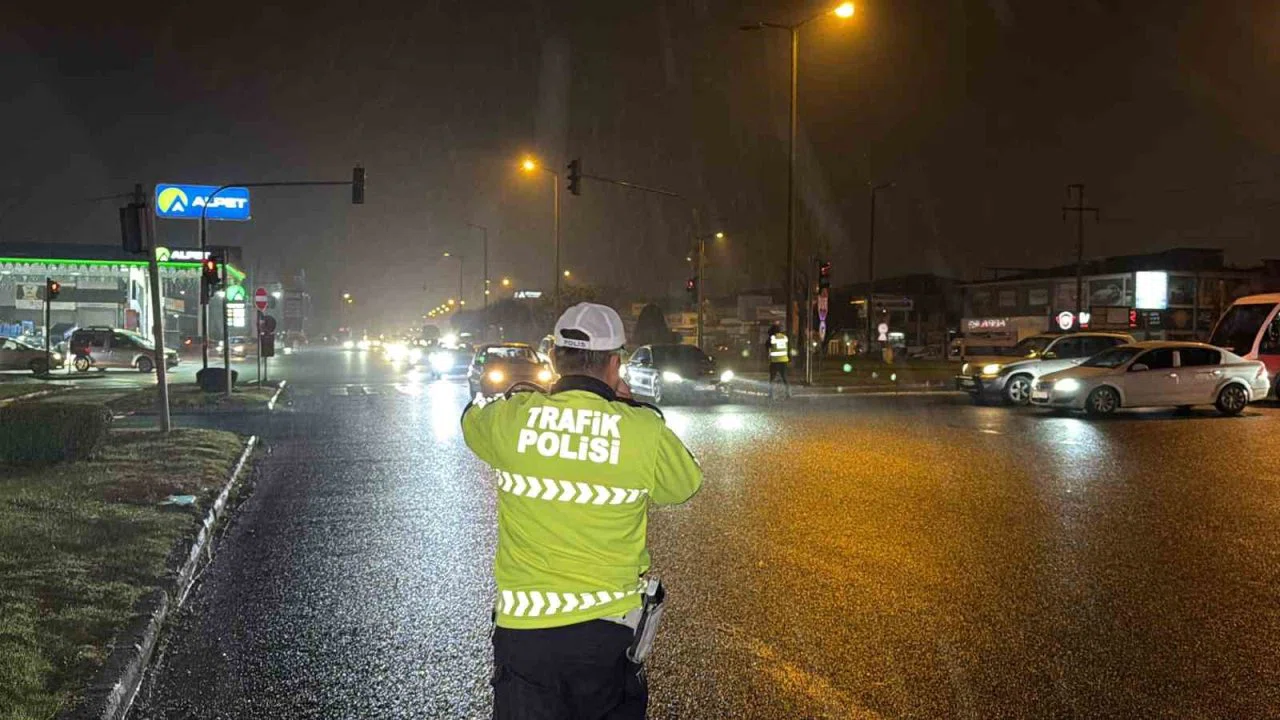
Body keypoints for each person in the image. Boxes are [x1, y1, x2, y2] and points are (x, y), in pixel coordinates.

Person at [462, 302, 704, 720]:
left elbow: (470, 418)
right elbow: (685, 484)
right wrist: (631, 408)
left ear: (555, 359)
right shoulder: (641, 430)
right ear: (615, 364)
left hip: (526, 635)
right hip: (607, 637)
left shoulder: (512, 418)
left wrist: (527, 398)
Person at [767, 324, 791, 398]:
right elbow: (789, 348)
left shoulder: (772, 338)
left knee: (772, 378)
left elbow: (767, 346)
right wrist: (789, 358)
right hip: (784, 360)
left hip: (775, 361)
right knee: (784, 377)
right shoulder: (785, 337)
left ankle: (771, 393)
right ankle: (788, 393)